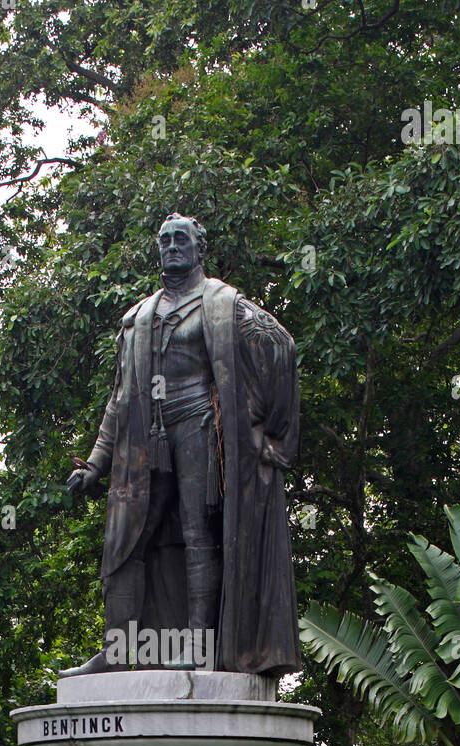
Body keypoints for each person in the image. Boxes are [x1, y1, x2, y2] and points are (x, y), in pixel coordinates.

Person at [64, 213, 301, 677]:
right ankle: (118, 649)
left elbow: (280, 348)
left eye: (181, 239)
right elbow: (120, 397)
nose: (172, 246)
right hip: (144, 434)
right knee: (125, 543)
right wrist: (95, 463)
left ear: (199, 248)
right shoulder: (138, 318)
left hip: (198, 423)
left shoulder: (224, 305)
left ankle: (199, 644)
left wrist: (264, 431)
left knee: (198, 535)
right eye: (165, 239)